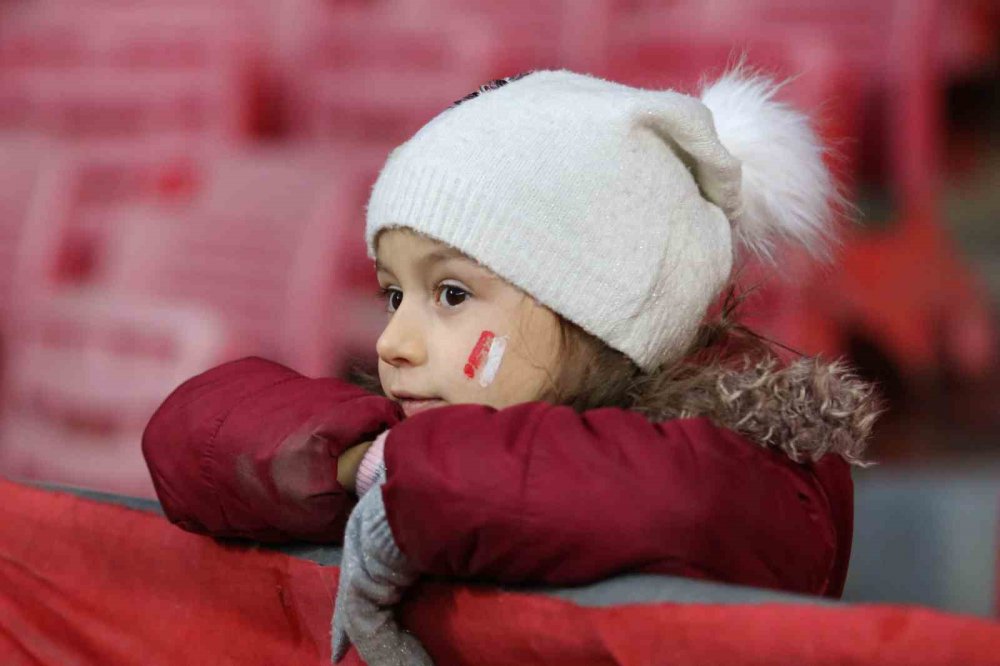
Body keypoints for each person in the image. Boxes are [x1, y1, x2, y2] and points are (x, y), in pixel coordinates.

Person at [142, 69, 879, 665]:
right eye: (393, 293)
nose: (392, 340)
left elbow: (648, 501)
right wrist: (361, 463)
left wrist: (399, 473)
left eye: (451, 293)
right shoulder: (421, 437)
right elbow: (191, 432)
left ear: (599, 306)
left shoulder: (766, 477)